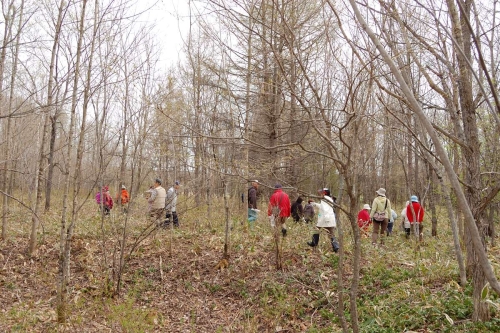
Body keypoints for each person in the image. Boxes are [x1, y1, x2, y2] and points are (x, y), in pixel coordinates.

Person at [307, 188, 339, 252]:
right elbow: (322, 207)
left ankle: (314, 243)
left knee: (316, 230)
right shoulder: (328, 199)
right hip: (329, 219)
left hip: (325, 219)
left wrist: (326, 219)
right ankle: (336, 246)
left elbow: (325, 209)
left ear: (324, 193)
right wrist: (315, 204)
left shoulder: (324, 199)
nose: (320, 193)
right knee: (331, 234)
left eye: (322, 192)